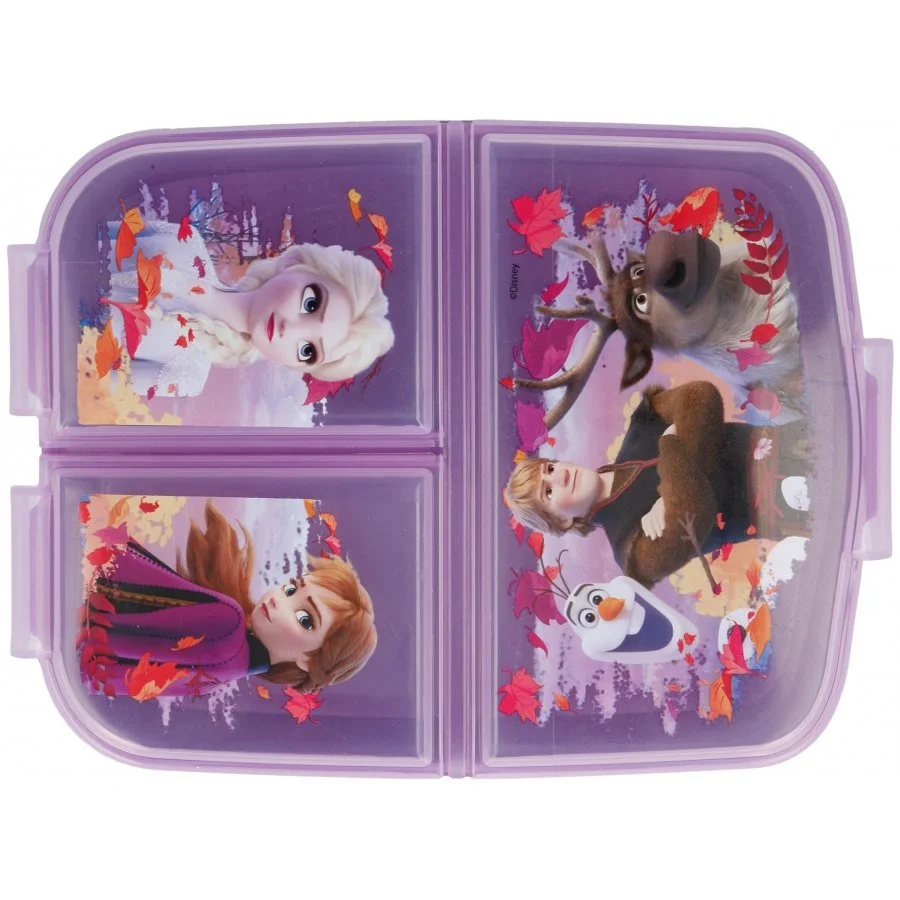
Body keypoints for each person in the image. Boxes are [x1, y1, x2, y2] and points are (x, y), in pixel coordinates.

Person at [504, 381, 812, 587]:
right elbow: (694, 514)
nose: (559, 476)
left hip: (801, 442)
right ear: (561, 521)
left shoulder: (642, 421)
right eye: (548, 492)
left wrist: (671, 495)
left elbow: (701, 397)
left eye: (549, 468)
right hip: (800, 507)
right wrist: (672, 443)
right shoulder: (630, 550)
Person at [80, 501, 377, 699]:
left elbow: (121, 626)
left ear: (308, 660)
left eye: (304, 620)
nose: (279, 601)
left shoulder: (228, 625)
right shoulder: (223, 676)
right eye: (290, 590)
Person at [103, 219, 395, 398]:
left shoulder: (187, 374)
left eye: (308, 350)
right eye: (310, 304)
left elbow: (95, 386)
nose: (289, 329)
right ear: (295, 264)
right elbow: (90, 233)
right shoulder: (183, 241)